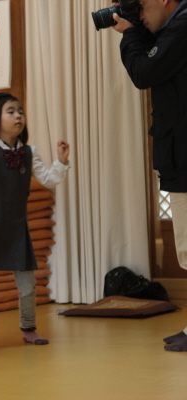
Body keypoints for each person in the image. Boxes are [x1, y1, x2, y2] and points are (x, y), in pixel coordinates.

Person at [0, 92, 69, 352]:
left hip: (16, 225)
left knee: (28, 284)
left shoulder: (30, 152)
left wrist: (62, 161)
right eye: (11, 111)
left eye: (20, 111)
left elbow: (49, 179)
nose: (18, 115)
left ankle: (29, 328)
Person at [112, 0, 187, 352]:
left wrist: (129, 34)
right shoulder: (175, 28)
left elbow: (144, 73)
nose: (139, 15)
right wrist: (136, 30)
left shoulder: (182, 27)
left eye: (140, 6)